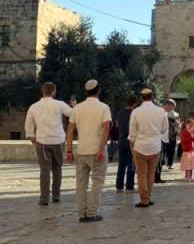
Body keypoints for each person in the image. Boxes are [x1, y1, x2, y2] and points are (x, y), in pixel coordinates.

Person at [65, 79, 112, 222]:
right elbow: (106, 129)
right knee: (97, 182)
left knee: (81, 184)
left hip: (81, 150)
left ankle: (82, 213)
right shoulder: (104, 107)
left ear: (86, 91)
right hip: (97, 150)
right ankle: (92, 213)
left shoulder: (77, 108)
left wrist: (68, 150)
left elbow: (70, 130)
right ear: (98, 90)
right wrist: (101, 149)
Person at [24, 82, 73, 206]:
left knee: (44, 170)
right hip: (58, 141)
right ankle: (56, 195)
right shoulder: (59, 104)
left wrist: (31, 137)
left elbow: (28, 123)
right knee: (57, 169)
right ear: (54, 91)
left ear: (42, 91)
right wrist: (75, 106)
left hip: (42, 142)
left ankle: (44, 198)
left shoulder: (34, 106)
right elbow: (72, 114)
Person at [128, 87, 169, 208]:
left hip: (140, 146)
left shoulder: (136, 112)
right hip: (155, 146)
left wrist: (132, 146)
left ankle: (144, 200)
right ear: (152, 96)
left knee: (141, 173)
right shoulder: (161, 111)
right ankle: (148, 197)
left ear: (141, 97)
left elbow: (132, 133)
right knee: (151, 173)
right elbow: (164, 129)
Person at [115, 94, 137, 193]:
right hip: (131, 141)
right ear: (135, 104)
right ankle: (129, 185)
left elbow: (116, 124)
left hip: (121, 140)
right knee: (131, 164)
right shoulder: (134, 113)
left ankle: (119, 186)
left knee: (121, 164)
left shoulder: (120, 113)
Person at [164, 99, 180, 170]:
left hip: (173, 134)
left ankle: (170, 164)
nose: (173, 107)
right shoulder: (164, 113)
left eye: (174, 106)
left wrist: (177, 123)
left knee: (172, 149)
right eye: (172, 106)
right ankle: (163, 162)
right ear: (168, 105)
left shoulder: (176, 114)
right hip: (165, 134)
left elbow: (178, 124)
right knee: (165, 149)